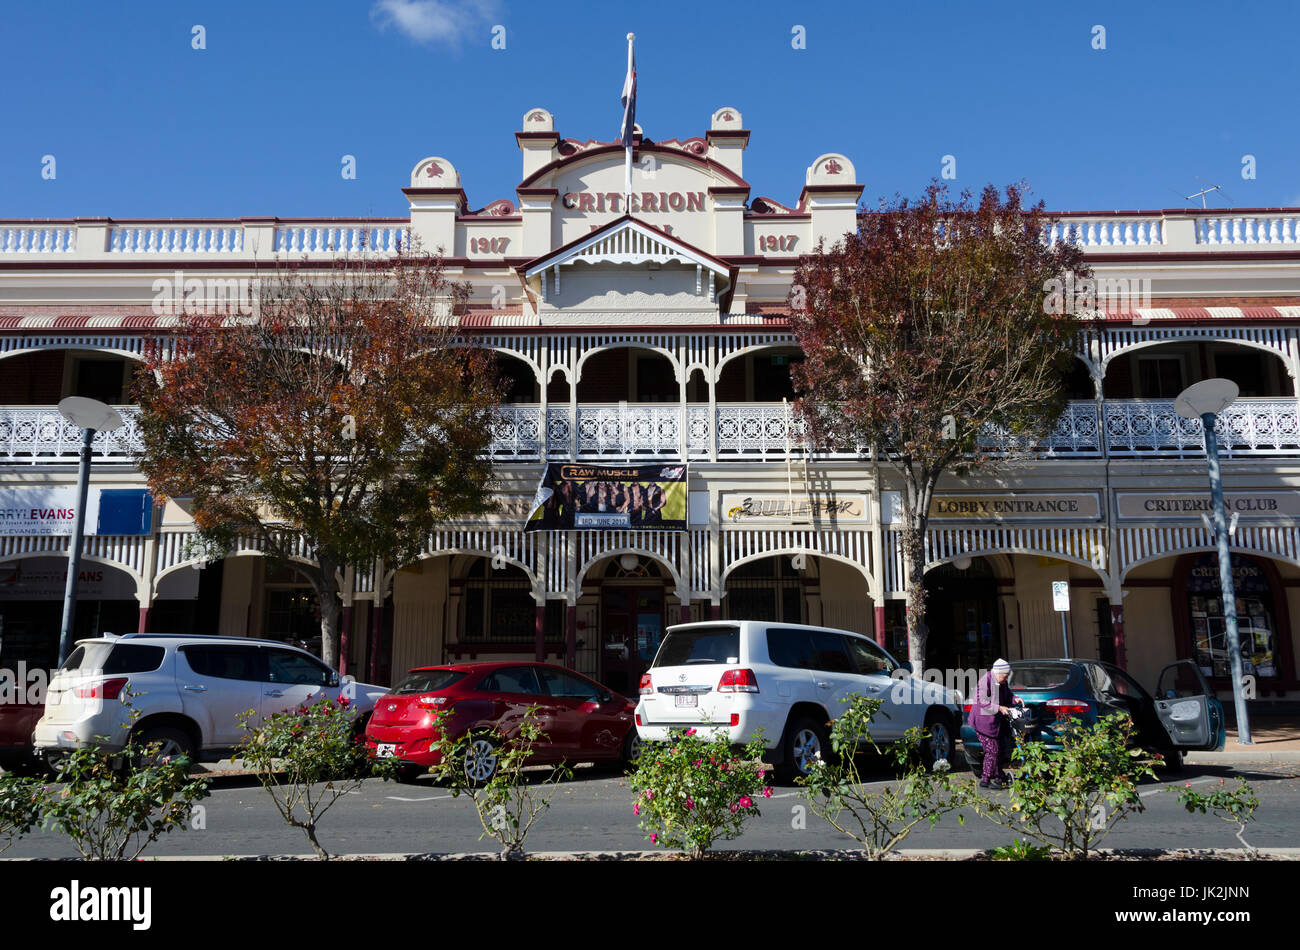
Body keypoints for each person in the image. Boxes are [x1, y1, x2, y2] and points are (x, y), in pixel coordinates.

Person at [969, 658, 1023, 788]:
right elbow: (981, 700)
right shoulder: (986, 679)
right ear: (998, 673)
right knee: (992, 751)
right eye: (1005, 676)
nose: (1006, 679)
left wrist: (1015, 699)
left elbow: (1008, 695)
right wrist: (999, 708)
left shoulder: (1002, 682)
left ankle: (997, 777)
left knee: (1000, 750)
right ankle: (986, 778)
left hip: (996, 722)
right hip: (983, 721)